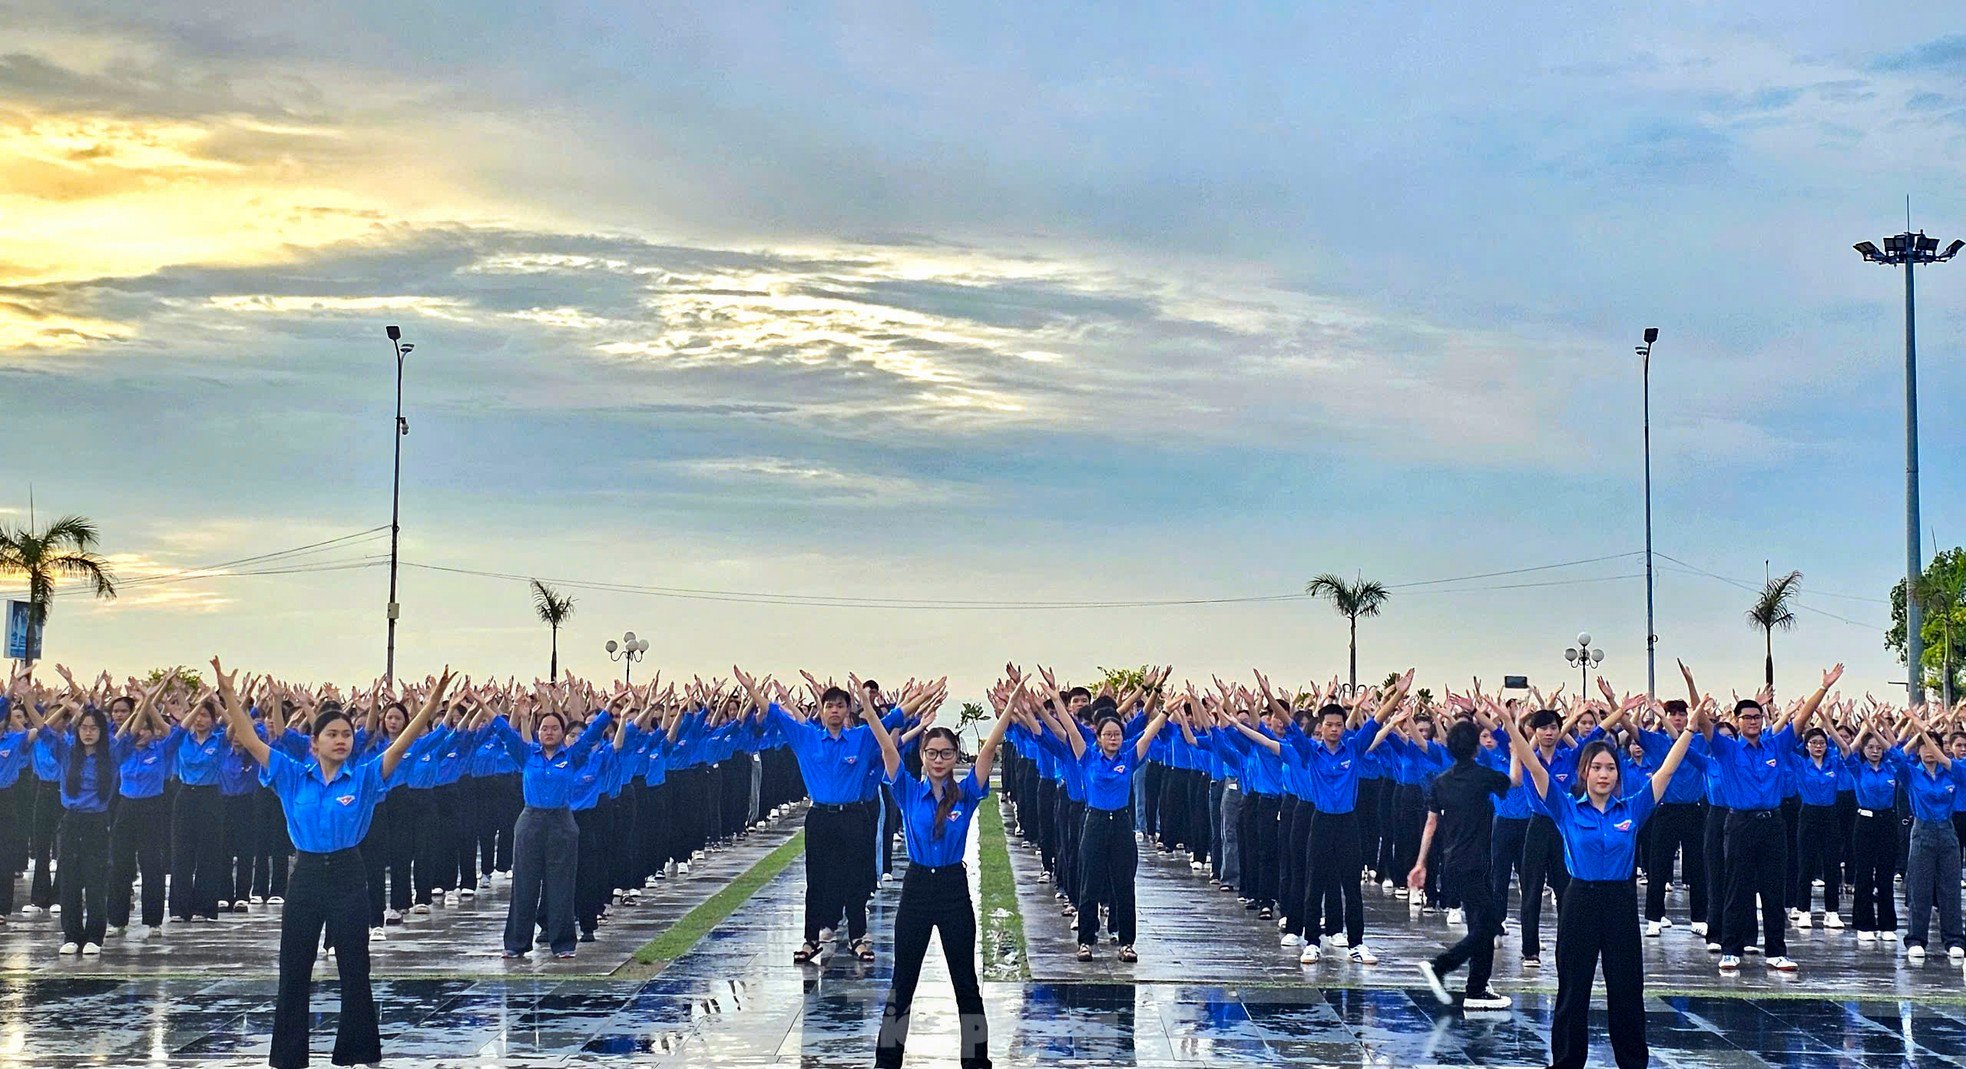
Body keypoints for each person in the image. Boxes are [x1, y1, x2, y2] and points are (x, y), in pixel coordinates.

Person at [210, 658, 452, 1069]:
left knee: (355, 967)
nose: (341, 740)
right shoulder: (290, 774)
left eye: (347, 735)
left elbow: (400, 745)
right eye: (332, 734)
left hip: (347, 874)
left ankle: (358, 1052)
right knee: (294, 969)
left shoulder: (365, 777)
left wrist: (429, 706)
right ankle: (288, 1057)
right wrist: (230, 695)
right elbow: (251, 740)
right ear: (315, 742)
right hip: (304, 876)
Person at [1500, 691, 1700, 1069]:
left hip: (1620, 902)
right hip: (1579, 901)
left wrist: (1689, 728)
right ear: (1585, 773)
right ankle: (1567, 1061)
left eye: (1610, 768)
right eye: (1597, 768)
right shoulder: (1565, 808)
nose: (1604, 774)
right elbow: (1534, 766)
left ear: (1617, 774)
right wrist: (1511, 726)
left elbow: (1668, 770)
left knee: (1626, 989)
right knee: (1573, 989)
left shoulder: (1634, 808)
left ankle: (1632, 1061)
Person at [864, 676, 1015, 1069]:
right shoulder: (908, 790)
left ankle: (977, 1061)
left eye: (946, 753)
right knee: (902, 983)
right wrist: (866, 706)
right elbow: (884, 744)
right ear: (923, 756)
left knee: (966, 983)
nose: (937, 759)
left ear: (954, 757)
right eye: (931, 752)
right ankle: (887, 1060)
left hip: (952, 889)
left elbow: (990, 747)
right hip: (916, 888)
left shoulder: (967, 792)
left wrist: (1011, 704)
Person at [739, 668, 924, 965]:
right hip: (820, 818)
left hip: (853, 817)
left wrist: (922, 697)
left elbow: (893, 718)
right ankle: (810, 940)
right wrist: (751, 689)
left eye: (840, 705)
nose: (834, 710)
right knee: (817, 879)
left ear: (848, 709)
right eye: (829, 705)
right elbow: (773, 713)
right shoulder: (806, 738)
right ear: (822, 711)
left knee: (856, 879)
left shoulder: (862, 738)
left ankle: (857, 938)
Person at [1688, 660, 1838, 972]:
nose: (1753, 722)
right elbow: (1702, 724)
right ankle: (1731, 949)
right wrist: (1693, 688)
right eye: (1747, 718)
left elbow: (1803, 717)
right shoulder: (1727, 749)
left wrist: (1823, 687)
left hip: (1773, 823)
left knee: (1774, 890)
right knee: (1736, 889)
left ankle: (1776, 951)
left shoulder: (1776, 745)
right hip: (1739, 824)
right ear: (1737, 721)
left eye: (1757, 717)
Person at [1034, 668, 1171, 962]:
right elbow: (1070, 728)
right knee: (1089, 883)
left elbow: (1148, 734)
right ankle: (1086, 940)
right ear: (1098, 736)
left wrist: (1166, 711)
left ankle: (1126, 942)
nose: (1113, 738)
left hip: (1121, 823)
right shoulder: (1087, 756)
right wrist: (1056, 698)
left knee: (1124, 884)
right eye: (1108, 734)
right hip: (1093, 821)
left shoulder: (1129, 757)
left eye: (1117, 734)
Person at [488, 682, 614, 960]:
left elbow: (592, 734)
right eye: (544, 728)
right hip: (530, 821)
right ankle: (517, 943)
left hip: (561, 822)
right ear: (538, 731)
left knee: (561, 884)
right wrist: (491, 707)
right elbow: (504, 733)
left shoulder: (572, 756)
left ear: (562, 733)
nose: (549, 732)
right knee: (525, 884)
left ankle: (563, 943)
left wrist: (610, 706)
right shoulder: (527, 755)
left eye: (554, 728)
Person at [1411, 719, 1513, 1011]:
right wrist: (1514, 741)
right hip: (1475, 862)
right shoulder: (1483, 776)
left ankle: (1477, 988)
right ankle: (1441, 966)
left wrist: (1420, 863)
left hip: (1452, 861)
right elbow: (1515, 779)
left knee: (1482, 924)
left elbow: (1431, 824)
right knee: (1490, 923)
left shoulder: (1441, 781)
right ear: (1476, 748)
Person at [21, 696, 118, 954]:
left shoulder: (112, 754)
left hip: (97, 822)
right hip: (72, 821)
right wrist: (25, 698)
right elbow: (41, 727)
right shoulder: (66, 751)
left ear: (102, 731)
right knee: (70, 880)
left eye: (94, 728)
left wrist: (147, 701)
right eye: (83, 727)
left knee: (96, 880)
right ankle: (71, 936)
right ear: (77, 730)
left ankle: (94, 937)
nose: (88, 732)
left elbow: (132, 730)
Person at [1898, 709, 1966, 963]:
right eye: (1924, 746)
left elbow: (1948, 761)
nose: (1928, 750)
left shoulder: (1953, 770)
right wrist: (1917, 733)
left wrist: (1924, 730)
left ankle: (1954, 940)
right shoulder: (1912, 772)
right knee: (1920, 888)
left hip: (1947, 831)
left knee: (1950, 888)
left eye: (1934, 745)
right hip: (1922, 830)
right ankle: (1916, 939)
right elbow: (1895, 756)